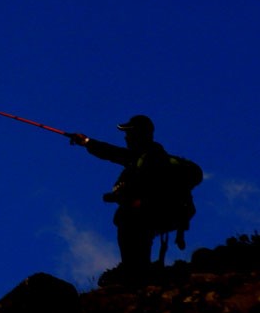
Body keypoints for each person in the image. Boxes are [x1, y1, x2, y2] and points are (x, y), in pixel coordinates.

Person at [64, 114, 176, 283]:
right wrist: (87, 142)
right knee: (128, 224)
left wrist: (87, 142)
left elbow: (114, 153)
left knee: (131, 226)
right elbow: (113, 153)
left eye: (130, 132)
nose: (126, 137)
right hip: (145, 209)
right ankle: (135, 270)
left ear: (140, 134)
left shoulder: (151, 155)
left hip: (148, 209)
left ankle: (136, 273)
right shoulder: (143, 156)